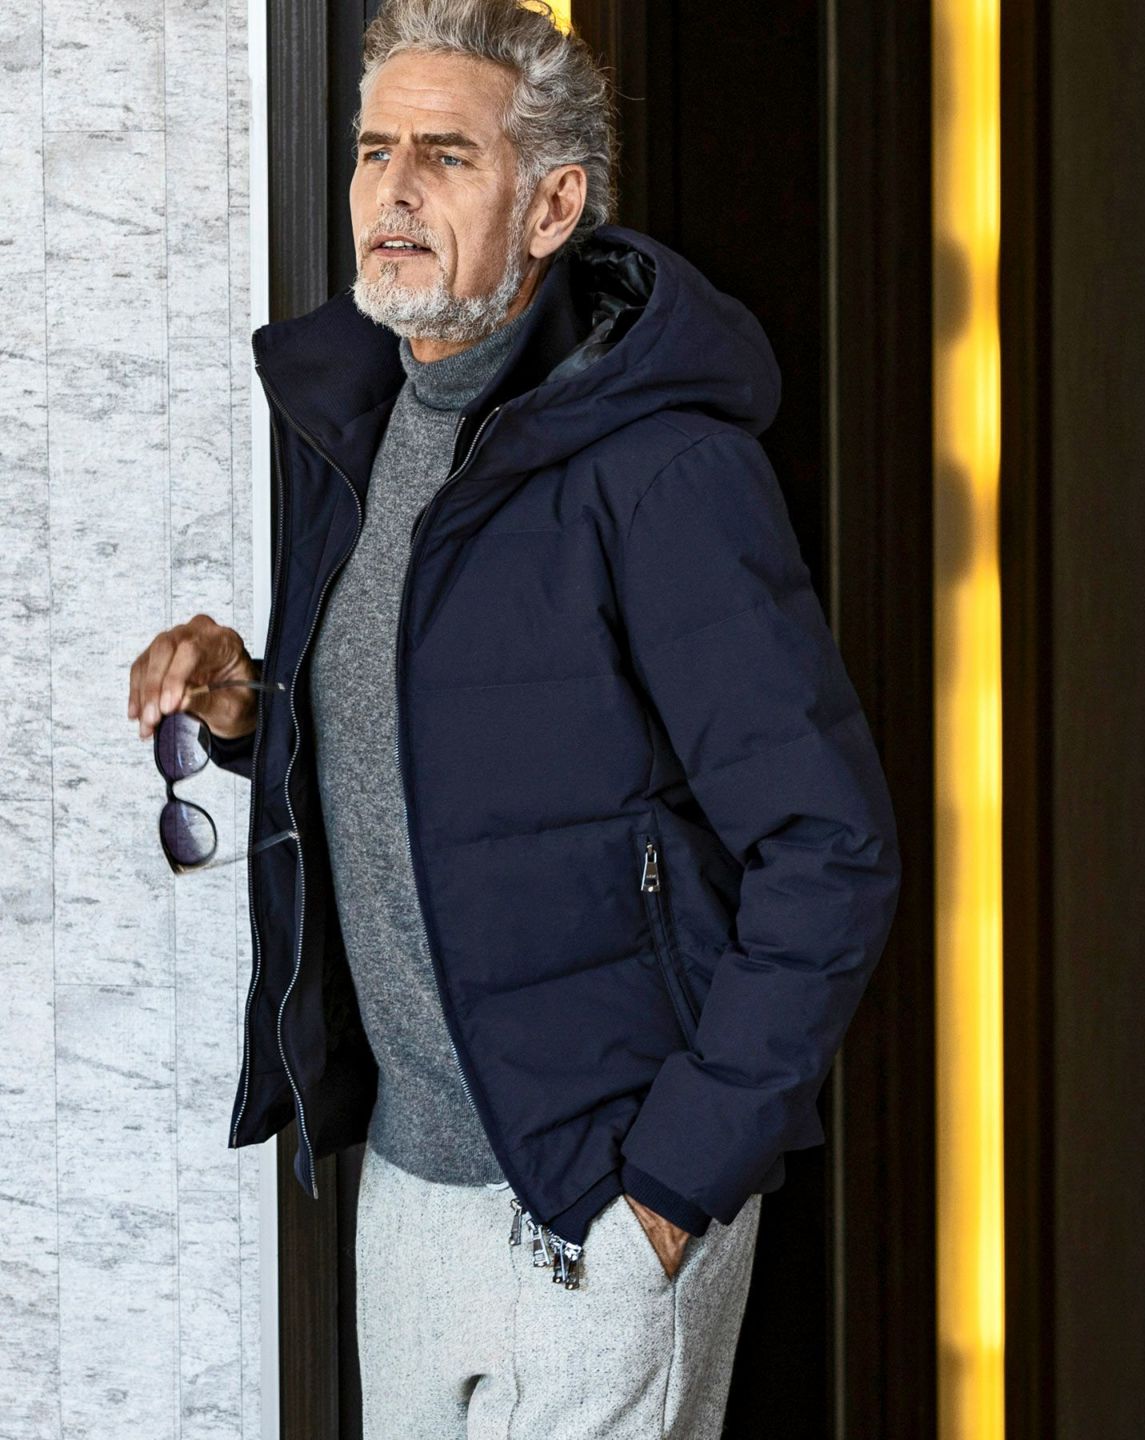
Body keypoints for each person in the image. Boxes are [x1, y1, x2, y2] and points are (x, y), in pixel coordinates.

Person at [126, 1, 901, 1434]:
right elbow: (470, 734)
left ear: (552, 207)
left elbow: (829, 846)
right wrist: (255, 711)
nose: (394, 192)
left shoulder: (664, 469)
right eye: (374, 150)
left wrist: (671, 1187)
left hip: (601, 1193)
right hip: (409, 1186)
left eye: (446, 155)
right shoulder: (365, 430)